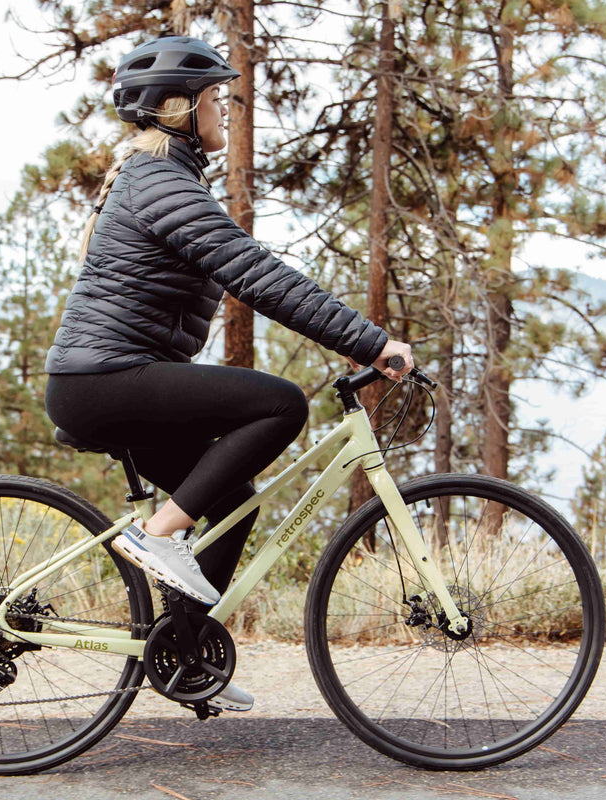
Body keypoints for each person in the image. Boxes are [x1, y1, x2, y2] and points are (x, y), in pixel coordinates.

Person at [45, 36, 413, 711]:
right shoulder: (159, 180)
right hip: (104, 382)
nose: (224, 110)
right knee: (280, 406)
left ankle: (185, 658)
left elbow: (247, 271)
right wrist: (367, 340)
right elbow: (253, 273)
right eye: (216, 98)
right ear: (177, 107)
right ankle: (154, 536)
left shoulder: (165, 176)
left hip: (113, 379)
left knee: (234, 498)